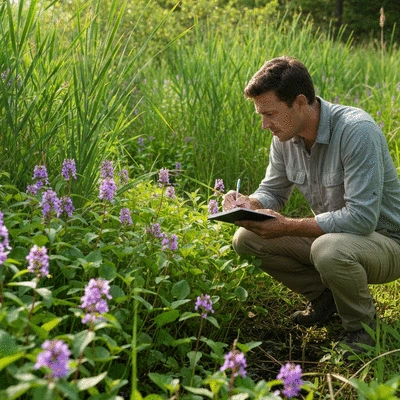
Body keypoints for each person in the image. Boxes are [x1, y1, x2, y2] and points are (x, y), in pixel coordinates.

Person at [223, 56, 400, 358]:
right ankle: (326, 299)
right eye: (260, 115)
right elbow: (273, 189)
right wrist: (249, 203)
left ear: (300, 102)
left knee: (329, 249)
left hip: (387, 242)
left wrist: (287, 226)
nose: (265, 125)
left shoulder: (357, 131)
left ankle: (362, 328)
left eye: (270, 114)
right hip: (337, 237)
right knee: (247, 239)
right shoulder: (285, 136)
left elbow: (362, 219)